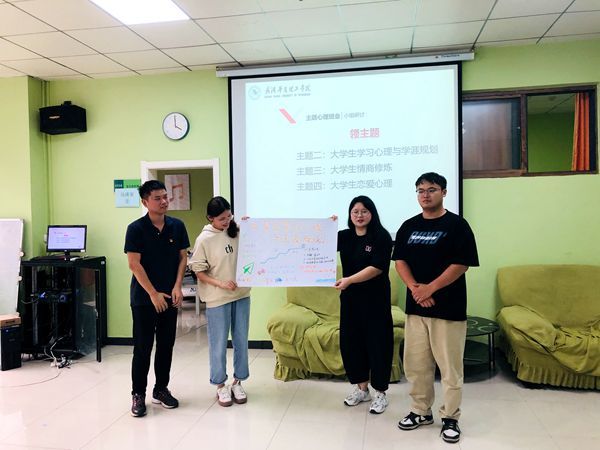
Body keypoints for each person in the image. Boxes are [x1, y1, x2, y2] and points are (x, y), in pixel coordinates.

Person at [392, 172, 479, 444]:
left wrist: (430, 288)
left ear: (444, 192)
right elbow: (400, 261)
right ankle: (421, 411)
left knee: (450, 369)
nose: (425, 195)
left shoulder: (457, 225)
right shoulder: (408, 226)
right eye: (420, 190)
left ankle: (450, 417)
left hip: (448, 309)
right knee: (416, 365)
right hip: (416, 308)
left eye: (431, 189)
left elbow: (461, 264)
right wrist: (416, 289)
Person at [124, 180, 190, 417]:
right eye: (157, 198)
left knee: (165, 346)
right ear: (145, 202)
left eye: (165, 197)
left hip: (170, 297)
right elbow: (134, 264)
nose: (164, 201)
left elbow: (183, 257)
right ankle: (138, 394)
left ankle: (161, 389)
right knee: (142, 348)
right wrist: (153, 293)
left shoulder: (177, 226)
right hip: (144, 299)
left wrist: (178, 286)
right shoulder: (135, 229)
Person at [188, 196, 251, 407]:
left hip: (241, 295)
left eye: (229, 216)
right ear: (210, 218)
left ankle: (238, 382)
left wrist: (251, 226)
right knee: (218, 344)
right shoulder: (204, 239)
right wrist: (221, 284)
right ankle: (220, 385)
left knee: (241, 341)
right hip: (217, 299)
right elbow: (199, 272)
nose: (227, 221)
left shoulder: (238, 232)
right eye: (222, 218)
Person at [335, 195, 394, 414]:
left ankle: (380, 393)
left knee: (378, 344)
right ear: (350, 215)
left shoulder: (381, 236)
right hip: (350, 300)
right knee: (351, 343)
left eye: (364, 211)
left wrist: (349, 280)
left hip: (376, 300)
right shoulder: (344, 236)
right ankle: (362, 389)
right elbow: (316, 242)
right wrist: (325, 228)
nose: (359, 215)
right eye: (355, 212)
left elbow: (377, 268)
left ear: (372, 213)